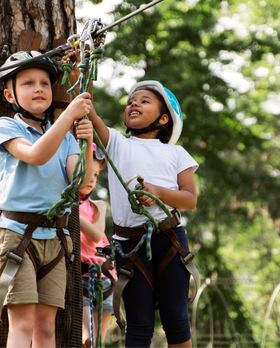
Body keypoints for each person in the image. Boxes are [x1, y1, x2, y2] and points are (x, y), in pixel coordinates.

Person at [0, 50, 94, 348]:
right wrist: (69, 118)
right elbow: (36, 155)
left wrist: (85, 142)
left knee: (46, 328)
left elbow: (81, 184)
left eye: (45, 83)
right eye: (28, 83)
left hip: (55, 238)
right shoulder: (7, 126)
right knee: (22, 324)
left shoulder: (65, 136)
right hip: (16, 235)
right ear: (10, 95)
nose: (38, 88)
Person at [87, 80, 199, 347]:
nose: (133, 103)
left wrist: (158, 192)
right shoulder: (115, 143)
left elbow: (190, 199)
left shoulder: (175, 153)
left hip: (168, 238)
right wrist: (79, 76)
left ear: (163, 118)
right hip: (129, 246)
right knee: (139, 323)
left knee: (176, 318)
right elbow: (88, 111)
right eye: (130, 102)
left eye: (144, 101)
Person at [78, 143, 116, 347]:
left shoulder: (98, 205)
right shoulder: (63, 203)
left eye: (95, 175)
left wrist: (72, 213)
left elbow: (96, 235)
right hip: (82, 278)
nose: (91, 180)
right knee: (87, 339)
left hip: (105, 278)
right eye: (86, 174)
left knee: (97, 343)